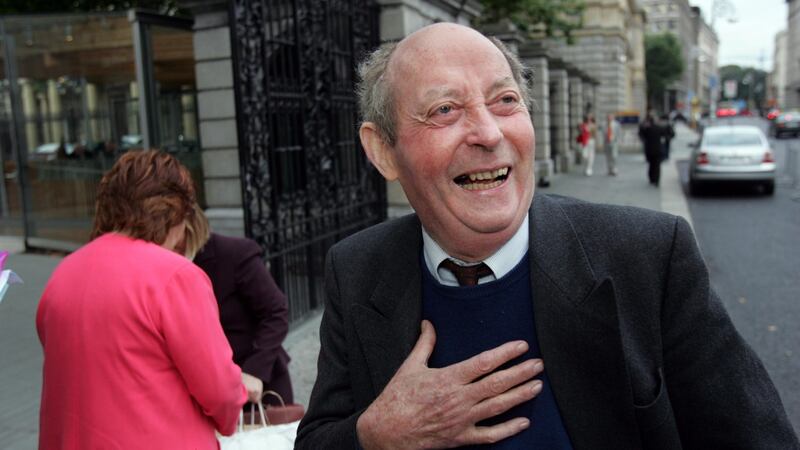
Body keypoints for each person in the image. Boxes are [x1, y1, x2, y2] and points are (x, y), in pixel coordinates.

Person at [295, 23, 799, 450]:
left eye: (505, 101)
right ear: (383, 151)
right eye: (445, 109)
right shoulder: (356, 269)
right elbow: (316, 438)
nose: (489, 133)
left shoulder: (648, 256)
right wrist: (375, 434)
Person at [37, 150, 247, 449]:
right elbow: (220, 389)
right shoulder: (175, 276)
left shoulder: (63, 273)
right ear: (177, 212)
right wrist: (231, 414)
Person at [194, 231, 294, 406]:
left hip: (255, 384)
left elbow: (276, 311)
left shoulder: (233, 252)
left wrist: (254, 371)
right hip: (203, 389)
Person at [639, 113, 663, 186]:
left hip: (649, 150)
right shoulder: (659, 128)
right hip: (658, 149)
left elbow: (641, 134)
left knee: (651, 165)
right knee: (657, 166)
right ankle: (656, 180)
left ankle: (652, 179)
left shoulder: (647, 128)